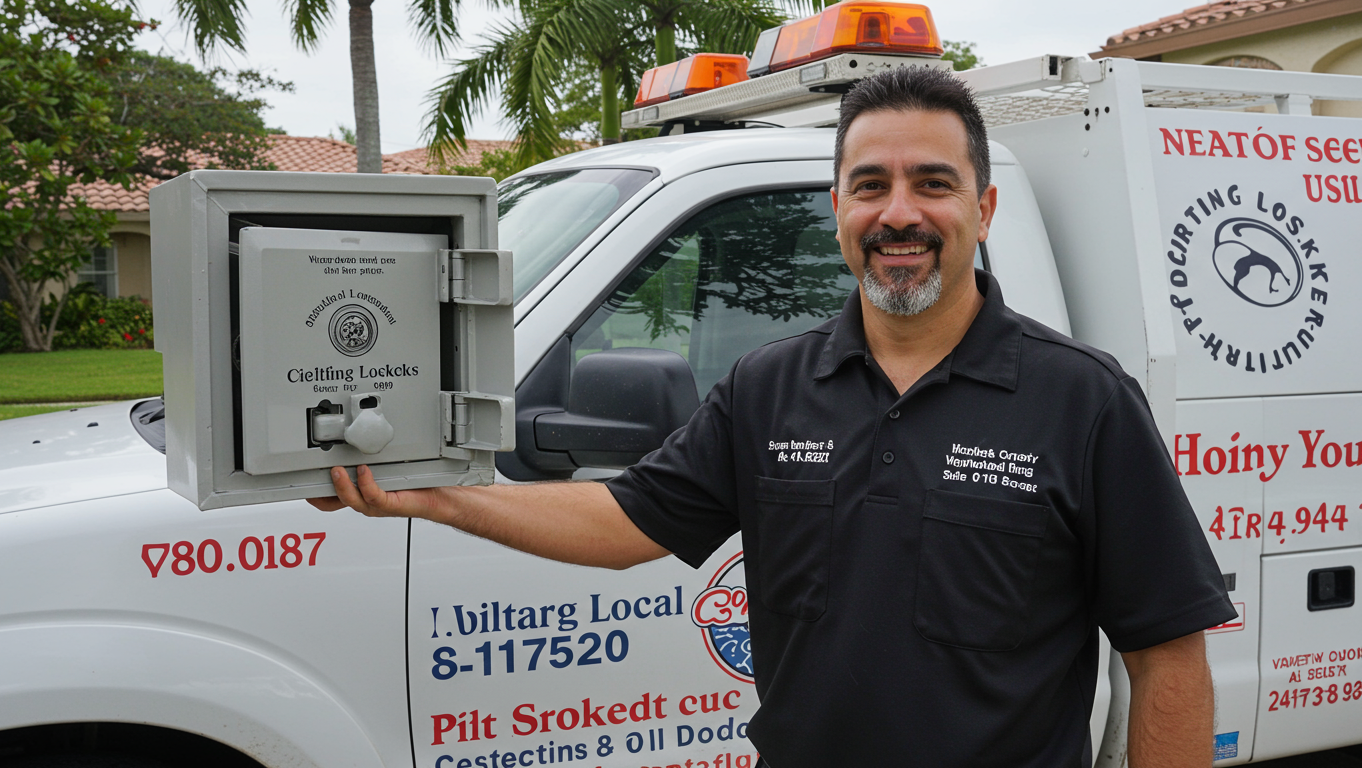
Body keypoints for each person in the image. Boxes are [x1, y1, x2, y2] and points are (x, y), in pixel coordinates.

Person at [309, 66, 1236, 767]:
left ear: (982, 208)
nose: (898, 212)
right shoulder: (769, 387)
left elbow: (1167, 655)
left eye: (933, 183)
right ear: (837, 209)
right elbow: (629, 519)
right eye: (870, 185)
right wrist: (435, 495)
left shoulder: (1082, 398)